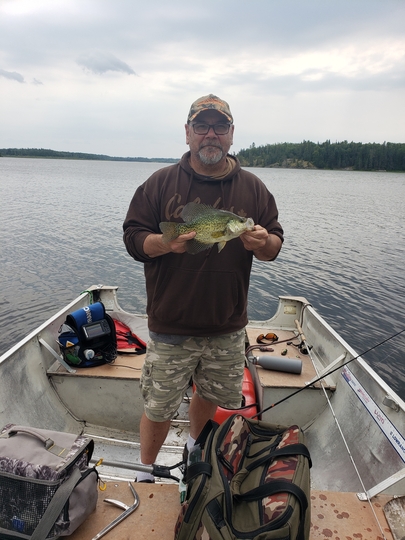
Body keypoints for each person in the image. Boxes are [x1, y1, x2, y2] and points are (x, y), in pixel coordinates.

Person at [123, 94, 284, 482]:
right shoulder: (160, 183)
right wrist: (165, 243)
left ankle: (196, 449)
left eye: (219, 126)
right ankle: (146, 471)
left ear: (231, 135)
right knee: (159, 404)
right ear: (188, 133)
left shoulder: (253, 188)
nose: (210, 134)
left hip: (226, 325)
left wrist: (262, 242)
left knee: (210, 395)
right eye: (201, 126)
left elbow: (274, 244)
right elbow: (133, 237)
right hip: (170, 321)